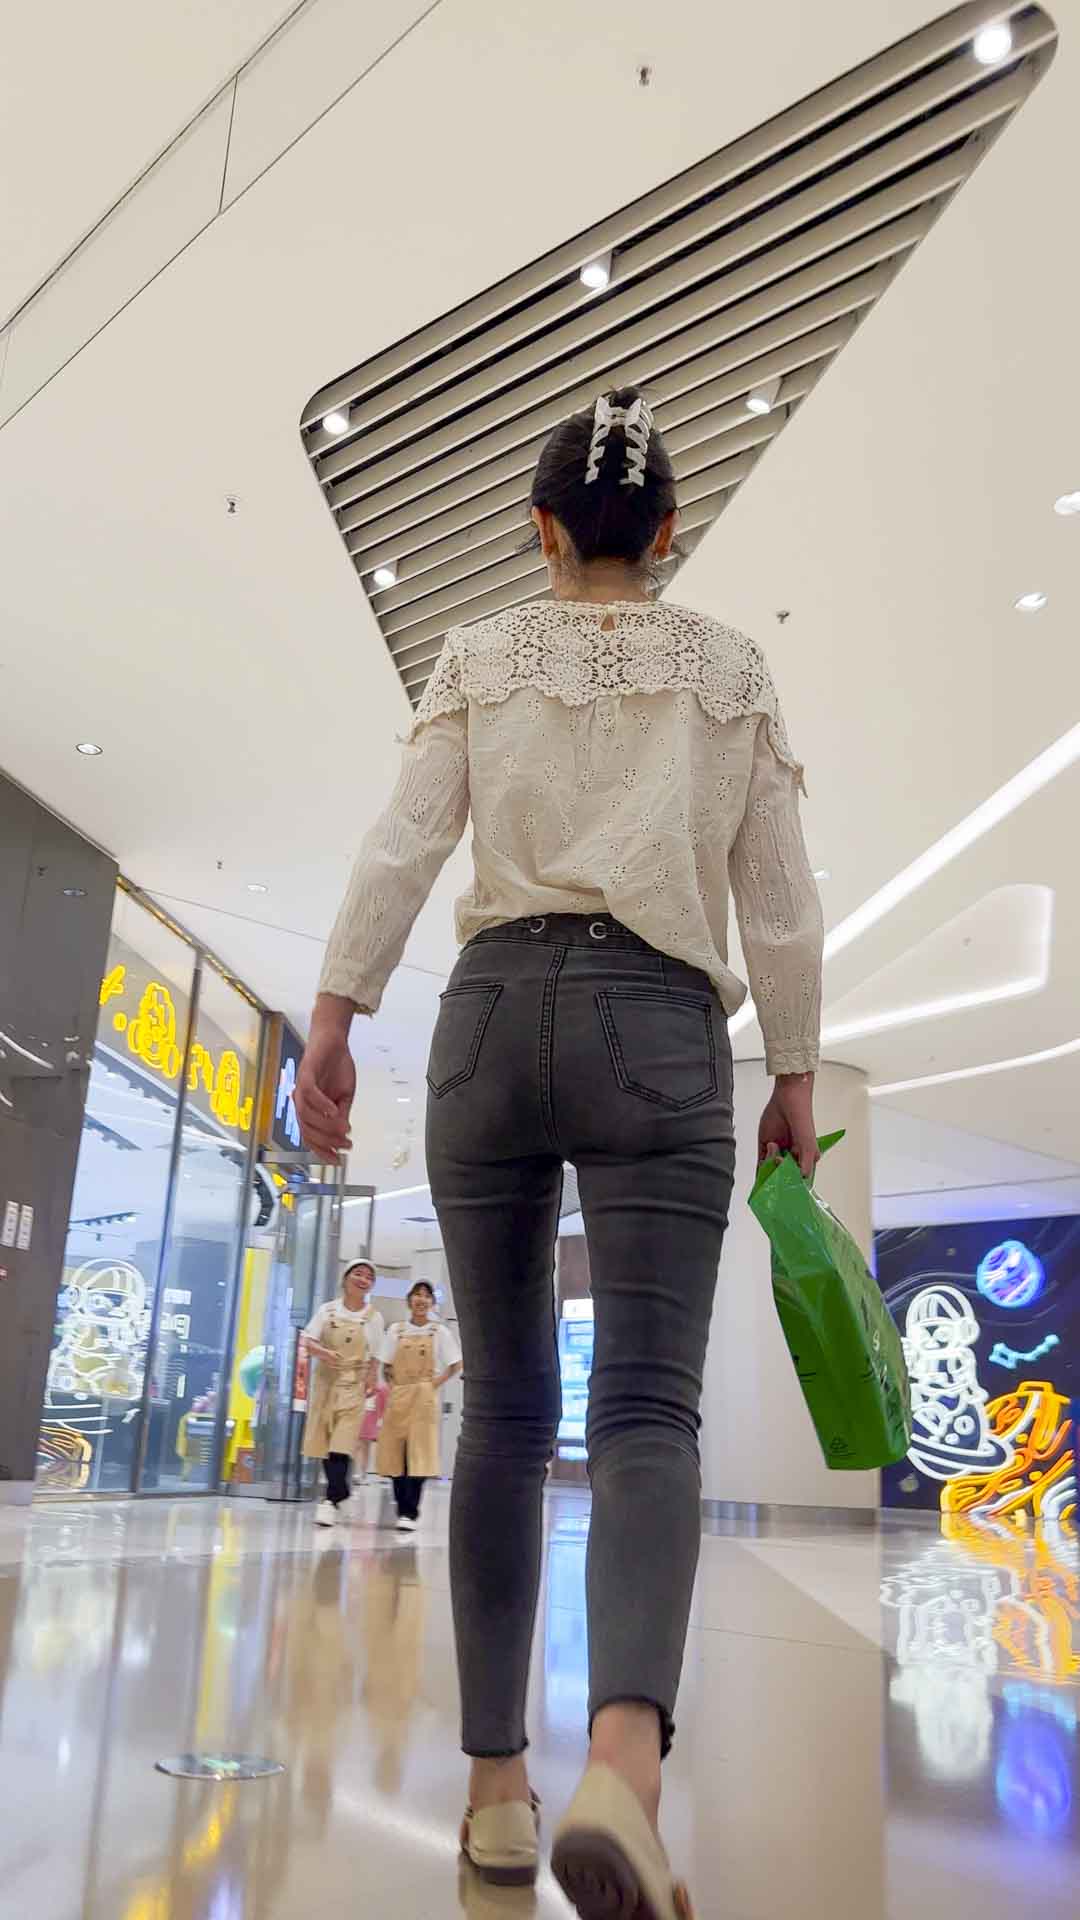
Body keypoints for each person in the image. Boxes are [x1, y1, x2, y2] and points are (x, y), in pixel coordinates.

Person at [295, 386, 823, 1916]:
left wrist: (334, 1011)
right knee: (646, 1409)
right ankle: (622, 1772)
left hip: (484, 1021)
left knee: (508, 1419)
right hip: (659, 1025)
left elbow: (404, 841)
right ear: (666, 535)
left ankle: (494, 1801)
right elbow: (778, 895)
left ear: (541, 531)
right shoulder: (732, 667)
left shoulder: (477, 653)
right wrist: (795, 1065)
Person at [301, 1259, 384, 1526]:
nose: (363, 1280)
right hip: (326, 1382)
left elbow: (377, 1354)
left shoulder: (373, 1317)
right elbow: (308, 1341)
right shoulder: (327, 1310)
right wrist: (324, 1353)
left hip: (353, 1383)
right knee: (325, 1442)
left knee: (342, 1442)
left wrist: (372, 1377)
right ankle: (341, 1493)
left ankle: (329, 1500)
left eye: (369, 1277)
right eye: (358, 1274)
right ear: (345, 1278)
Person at [376, 1280, 462, 1532]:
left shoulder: (439, 1332)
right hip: (399, 1394)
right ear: (409, 1300)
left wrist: (434, 1383)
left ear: (432, 1303)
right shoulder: (396, 1330)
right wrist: (393, 1385)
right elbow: (385, 1363)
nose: (421, 1299)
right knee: (397, 1453)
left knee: (420, 1453)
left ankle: (410, 1512)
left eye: (426, 1296)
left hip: (424, 1396)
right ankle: (401, 1506)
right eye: (417, 1294)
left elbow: (456, 1364)